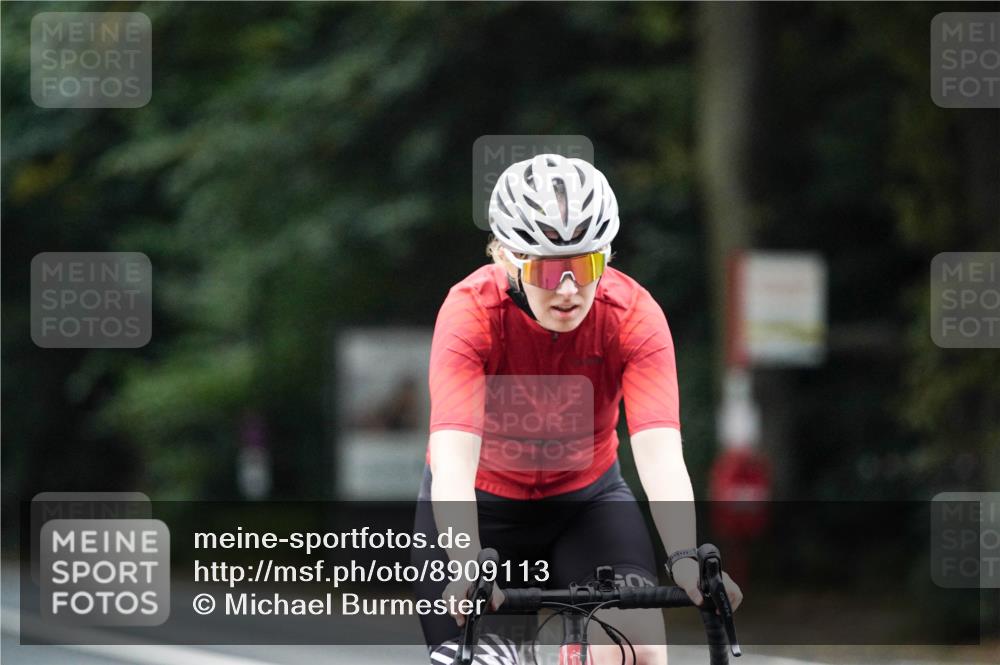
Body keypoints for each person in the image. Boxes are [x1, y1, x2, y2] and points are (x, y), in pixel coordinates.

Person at [411, 154, 742, 665]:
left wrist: (682, 555)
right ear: (505, 258)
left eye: (585, 266)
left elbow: (658, 452)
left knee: (638, 651)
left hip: (585, 504)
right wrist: (464, 561)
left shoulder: (632, 316)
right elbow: (453, 460)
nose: (568, 290)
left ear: (606, 258)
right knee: (481, 661)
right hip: (480, 506)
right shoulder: (470, 312)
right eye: (547, 269)